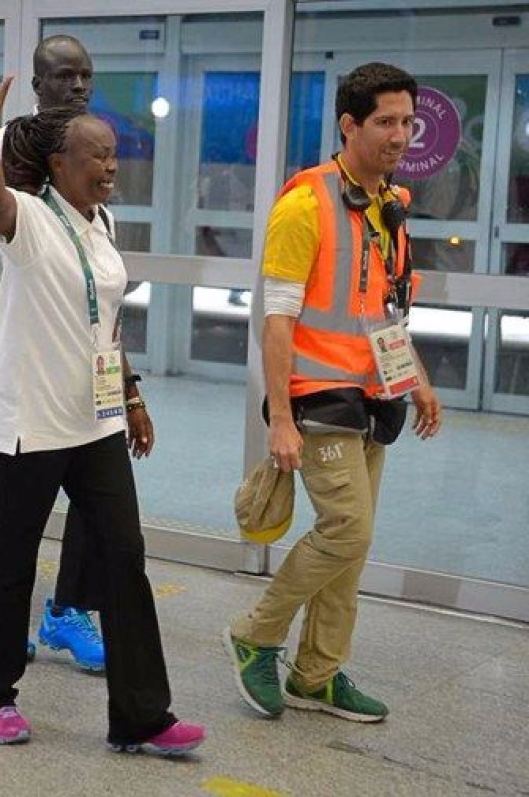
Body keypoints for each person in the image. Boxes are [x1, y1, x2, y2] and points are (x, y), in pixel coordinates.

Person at [0, 50, 204, 754]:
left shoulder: (105, 226)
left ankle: (141, 714)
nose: (110, 166)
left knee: (123, 554)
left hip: (93, 421)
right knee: (11, 563)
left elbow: (105, 321)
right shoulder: (27, 218)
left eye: (114, 155)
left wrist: (129, 394)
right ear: (59, 165)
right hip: (30, 421)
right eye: (96, 156)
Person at [224, 62, 442, 722]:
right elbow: (278, 318)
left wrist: (419, 382)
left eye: (408, 122)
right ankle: (255, 634)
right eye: (385, 122)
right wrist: (280, 421)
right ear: (349, 125)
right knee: (348, 526)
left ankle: (317, 672)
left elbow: (384, 313)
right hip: (319, 397)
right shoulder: (305, 204)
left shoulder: (388, 207)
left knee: (355, 542)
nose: (400, 135)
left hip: (374, 396)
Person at [0, 34, 109, 673]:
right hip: (9, 341)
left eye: (85, 78)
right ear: (40, 85)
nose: (76, 87)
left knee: (94, 491)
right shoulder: (12, 159)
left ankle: (67, 607)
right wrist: (1, 345)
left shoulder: (87, 158)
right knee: (0, 498)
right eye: (63, 78)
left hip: (74, 356)